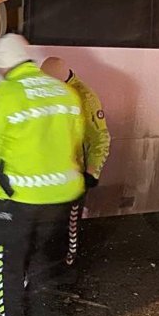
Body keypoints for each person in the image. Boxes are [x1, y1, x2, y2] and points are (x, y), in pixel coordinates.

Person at [0, 34, 84, 316]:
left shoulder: (7, 93)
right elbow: (76, 142)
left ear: (3, 66)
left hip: (19, 198)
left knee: (8, 265)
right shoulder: (65, 91)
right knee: (40, 259)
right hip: (62, 197)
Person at [41, 56, 111, 266]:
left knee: (69, 229)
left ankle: (69, 268)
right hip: (52, 173)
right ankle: (52, 267)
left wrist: (91, 173)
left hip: (74, 175)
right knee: (50, 226)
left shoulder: (85, 98)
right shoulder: (54, 92)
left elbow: (100, 139)